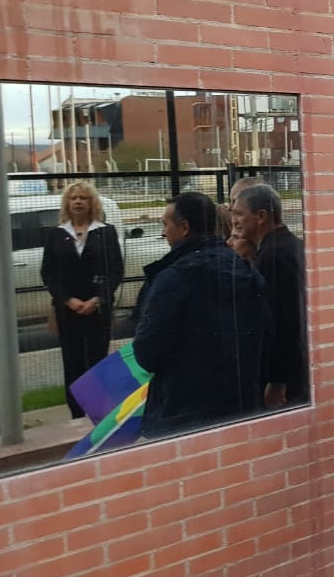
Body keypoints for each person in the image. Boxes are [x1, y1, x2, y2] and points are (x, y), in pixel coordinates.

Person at [133, 192, 266, 438]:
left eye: (165, 224)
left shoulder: (171, 280)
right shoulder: (248, 272)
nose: (163, 233)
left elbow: (147, 353)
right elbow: (266, 335)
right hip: (242, 405)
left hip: (183, 414)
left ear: (184, 228)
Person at [40, 180, 124, 419]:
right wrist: (67, 300)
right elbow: (48, 273)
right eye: (73, 198)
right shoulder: (56, 234)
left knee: (98, 361)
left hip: (97, 309)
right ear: (67, 203)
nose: (78, 202)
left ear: (91, 202)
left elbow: (116, 269)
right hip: (68, 311)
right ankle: (76, 413)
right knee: (72, 361)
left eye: (83, 198)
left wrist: (98, 299)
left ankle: (100, 411)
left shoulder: (106, 232)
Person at [231, 183, 308, 407]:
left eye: (239, 214)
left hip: (287, 377)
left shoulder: (272, 257)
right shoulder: (290, 246)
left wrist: (277, 380)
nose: (234, 221)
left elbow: (282, 321)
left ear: (261, 216)